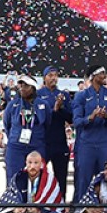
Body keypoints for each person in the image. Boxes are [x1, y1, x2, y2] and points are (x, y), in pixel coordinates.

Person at [72, 65, 107, 201]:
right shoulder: (81, 96)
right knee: (83, 180)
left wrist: (106, 116)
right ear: (93, 76)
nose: (105, 76)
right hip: (87, 144)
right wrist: (90, 117)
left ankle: (106, 212)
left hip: (105, 144)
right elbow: (76, 121)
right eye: (102, 73)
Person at [3, 75, 52, 181]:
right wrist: (14, 137)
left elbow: (47, 125)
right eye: (21, 85)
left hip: (36, 146)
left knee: (37, 179)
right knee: (14, 178)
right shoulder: (13, 104)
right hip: (16, 147)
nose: (22, 88)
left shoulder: (43, 105)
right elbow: (7, 125)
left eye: (26, 86)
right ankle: (16, 198)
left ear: (33, 88)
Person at [37, 66, 73, 197]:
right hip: (42, 142)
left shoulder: (64, 95)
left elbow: (71, 118)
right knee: (39, 177)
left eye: (55, 75)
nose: (53, 78)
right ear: (44, 78)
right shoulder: (38, 95)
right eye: (50, 75)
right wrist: (54, 109)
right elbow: (39, 118)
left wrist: (61, 108)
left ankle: (61, 208)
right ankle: (37, 207)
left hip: (60, 142)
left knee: (61, 178)